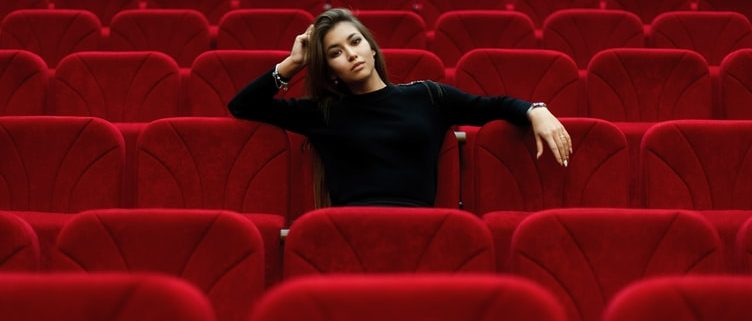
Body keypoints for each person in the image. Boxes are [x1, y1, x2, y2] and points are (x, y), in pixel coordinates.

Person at [228, 8, 572, 208]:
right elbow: (243, 106)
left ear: (372, 48)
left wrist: (536, 110)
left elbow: (491, 105)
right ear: (330, 71)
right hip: (349, 231)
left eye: (355, 41)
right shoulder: (323, 112)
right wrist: (292, 62)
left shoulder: (427, 96)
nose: (350, 54)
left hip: (421, 229)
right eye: (335, 53)